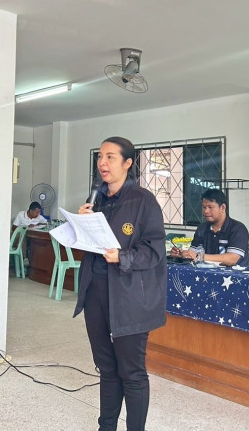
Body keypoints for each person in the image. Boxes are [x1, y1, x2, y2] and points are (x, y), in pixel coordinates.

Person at [74, 136, 167, 431]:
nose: (102, 163)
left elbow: (154, 251)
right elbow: (89, 245)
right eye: (100, 157)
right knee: (107, 367)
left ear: (128, 163)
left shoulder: (143, 201)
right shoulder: (97, 199)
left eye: (110, 157)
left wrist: (122, 256)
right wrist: (81, 224)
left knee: (132, 372)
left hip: (130, 296)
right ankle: (106, 427)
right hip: (96, 292)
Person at [170, 188, 249, 267]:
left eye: (210, 207)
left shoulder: (237, 229)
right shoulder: (201, 229)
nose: (206, 211)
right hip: (205, 273)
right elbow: (192, 254)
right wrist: (181, 255)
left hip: (234, 274)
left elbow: (232, 259)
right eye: (204, 207)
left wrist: (200, 256)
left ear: (223, 207)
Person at [12, 201, 48, 267]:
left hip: (29, 237)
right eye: (36, 212)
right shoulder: (21, 214)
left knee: (37, 242)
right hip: (17, 237)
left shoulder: (39, 217)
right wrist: (26, 227)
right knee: (22, 237)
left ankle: (35, 265)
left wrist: (37, 224)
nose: (38, 214)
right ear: (31, 211)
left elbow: (46, 223)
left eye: (39, 212)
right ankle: (25, 258)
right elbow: (13, 228)